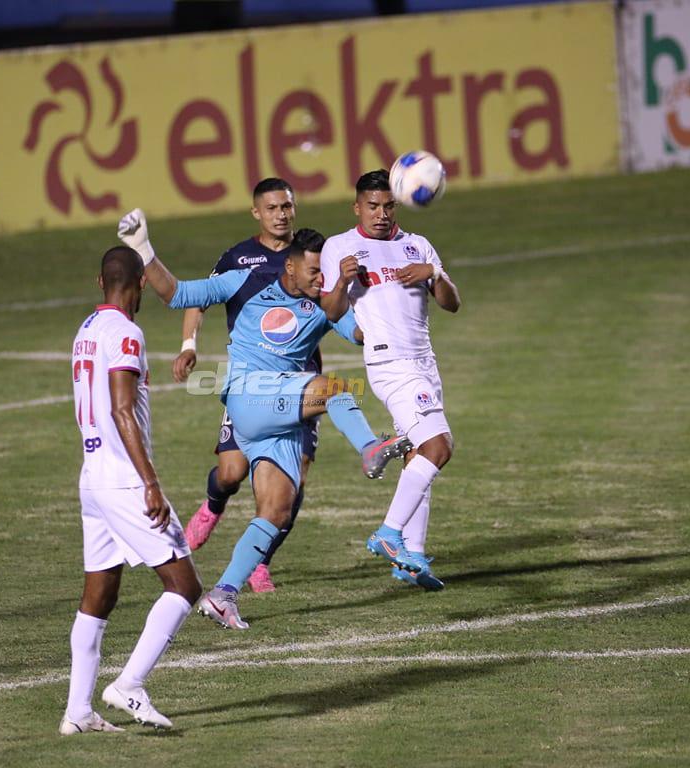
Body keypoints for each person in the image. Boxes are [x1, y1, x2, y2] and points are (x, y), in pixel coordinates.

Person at [117, 209, 410, 629]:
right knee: (336, 390)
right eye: (313, 271)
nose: (319, 278)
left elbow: (364, 333)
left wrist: (384, 295)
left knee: (276, 511)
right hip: (248, 394)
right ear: (289, 266)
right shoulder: (245, 280)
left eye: (324, 271)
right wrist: (142, 247)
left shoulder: (326, 301)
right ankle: (370, 450)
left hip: (282, 416)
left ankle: (223, 595)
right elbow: (177, 294)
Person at [60, 245, 202, 734]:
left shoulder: (86, 330)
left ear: (101, 283)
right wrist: (151, 484)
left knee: (99, 594)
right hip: (123, 478)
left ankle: (77, 713)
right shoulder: (126, 332)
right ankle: (130, 685)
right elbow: (123, 410)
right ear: (142, 284)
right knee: (185, 586)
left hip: (92, 478)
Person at [175, 178, 320, 593]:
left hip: (299, 385)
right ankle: (212, 506)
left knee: (295, 482)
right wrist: (189, 345)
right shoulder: (238, 260)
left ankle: (260, 560)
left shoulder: (311, 258)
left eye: (287, 207)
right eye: (272, 208)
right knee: (232, 471)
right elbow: (198, 299)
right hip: (249, 384)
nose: (281, 215)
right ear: (257, 213)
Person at [320, 169, 461, 591]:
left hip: (424, 362)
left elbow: (452, 304)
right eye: (372, 206)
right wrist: (343, 280)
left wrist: (434, 274)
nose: (380, 214)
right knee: (439, 446)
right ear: (357, 207)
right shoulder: (340, 247)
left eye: (387, 206)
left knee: (418, 453)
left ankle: (412, 558)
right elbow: (329, 310)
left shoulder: (417, 246)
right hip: (389, 363)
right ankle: (389, 533)